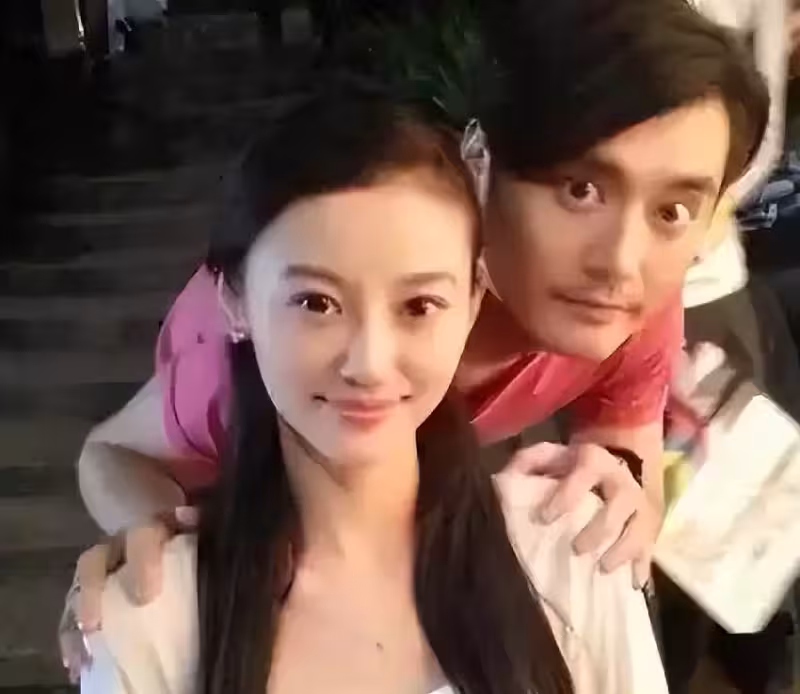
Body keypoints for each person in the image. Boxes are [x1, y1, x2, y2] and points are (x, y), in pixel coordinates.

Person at [61, 0, 769, 680]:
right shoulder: (270, 354)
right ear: (480, 160)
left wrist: (618, 494)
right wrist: (156, 547)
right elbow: (113, 453)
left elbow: (623, 445)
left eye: (673, 210)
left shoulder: (632, 306)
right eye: (579, 189)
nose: (621, 262)